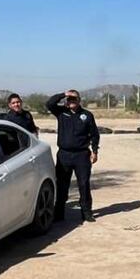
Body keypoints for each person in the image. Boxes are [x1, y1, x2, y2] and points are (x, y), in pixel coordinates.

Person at [46, 90, 100, 223]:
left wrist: (94, 151)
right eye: (69, 99)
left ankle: (86, 212)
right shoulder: (61, 112)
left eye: (74, 99)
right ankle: (59, 213)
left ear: (79, 100)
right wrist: (64, 94)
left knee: (84, 184)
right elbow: (49, 103)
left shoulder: (87, 115)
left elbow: (94, 135)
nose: (71, 101)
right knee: (62, 185)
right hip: (64, 154)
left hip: (81, 155)